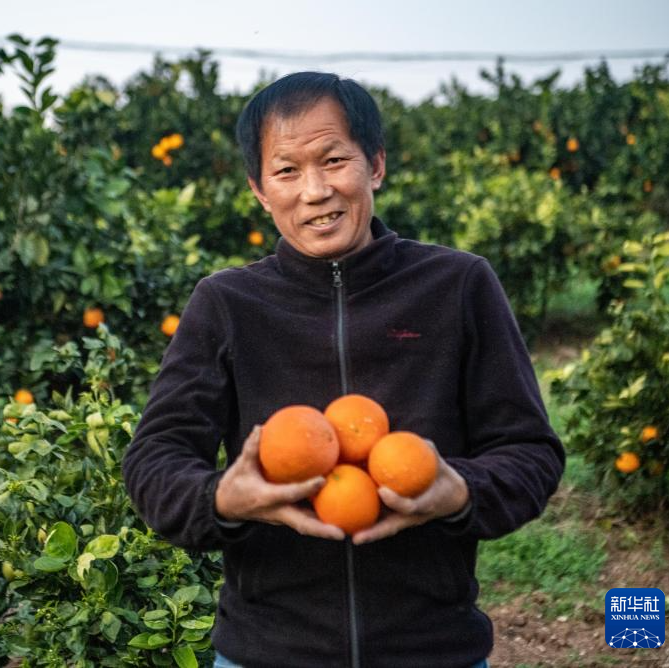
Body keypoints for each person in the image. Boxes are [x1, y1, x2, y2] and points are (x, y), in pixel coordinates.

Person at [121, 71, 564, 668]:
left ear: (374, 165)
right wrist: (223, 498)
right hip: (266, 653)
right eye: (286, 171)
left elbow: (531, 452)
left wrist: (458, 491)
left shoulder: (457, 286)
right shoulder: (226, 304)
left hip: (433, 650)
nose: (315, 191)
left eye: (333, 160)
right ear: (259, 190)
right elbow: (154, 461)